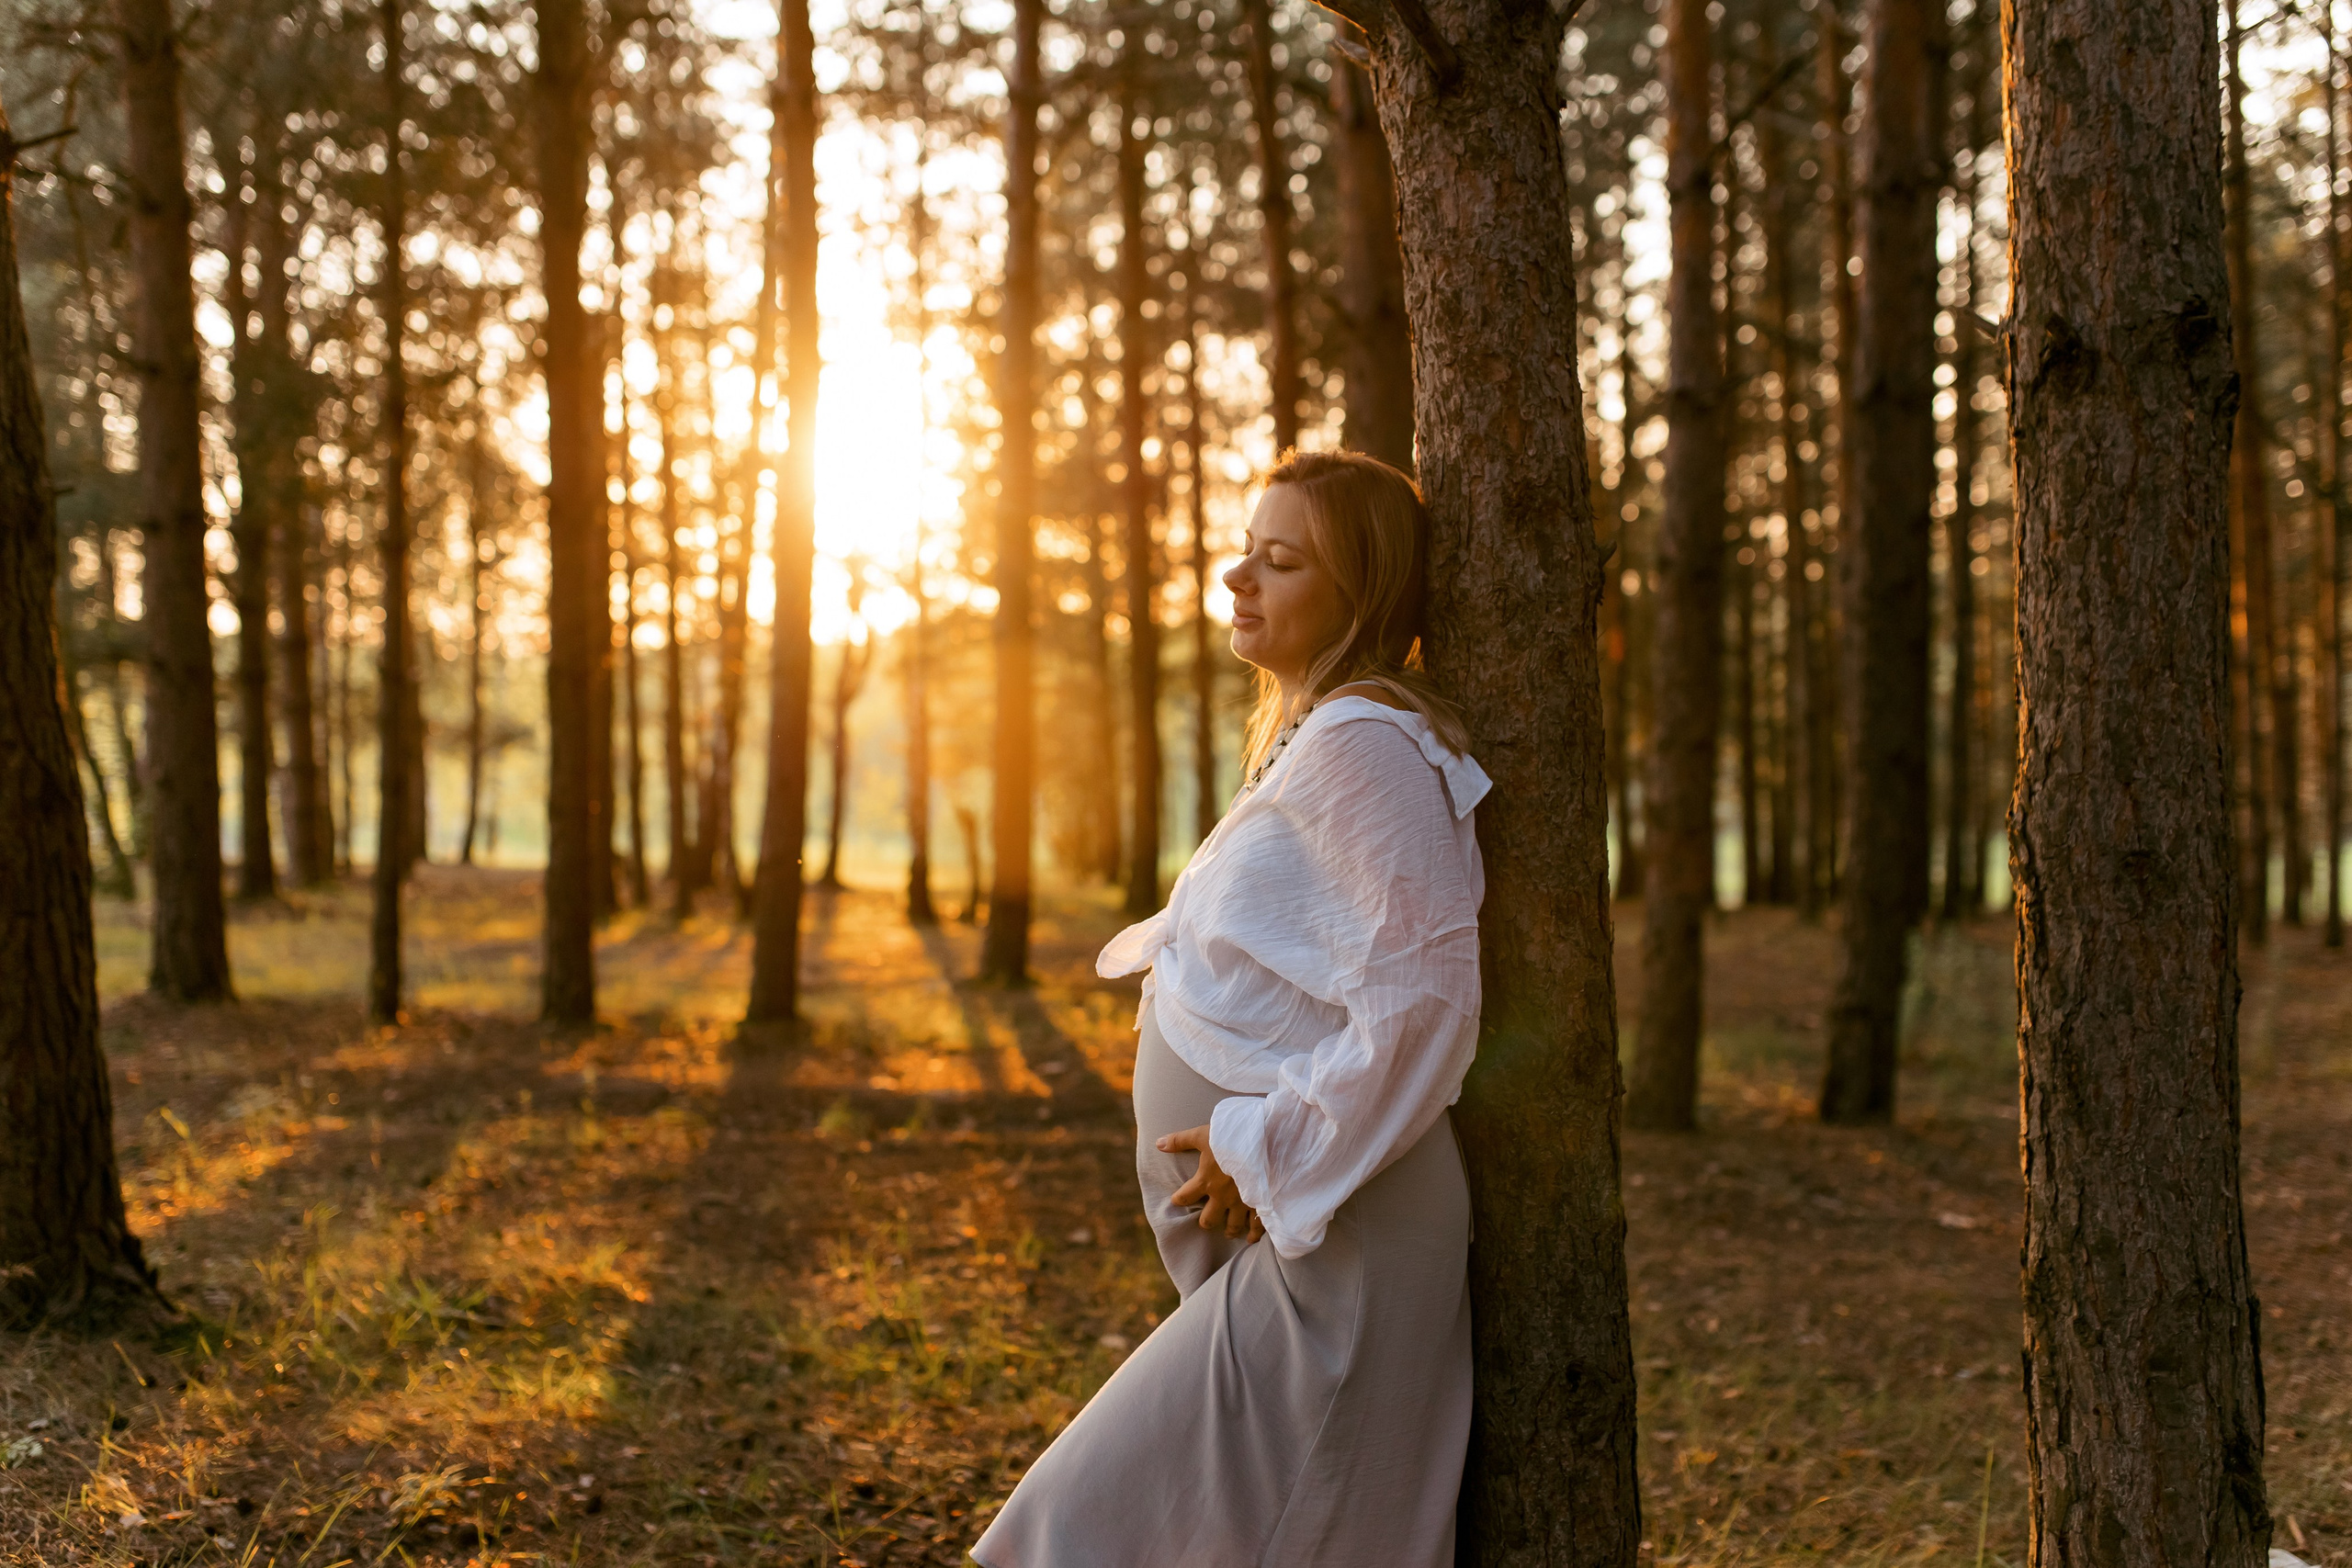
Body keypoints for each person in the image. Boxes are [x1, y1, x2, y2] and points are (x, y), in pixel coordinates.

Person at [972, 449, 1489, 1568]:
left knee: (1075, 1531)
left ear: (1360, 591)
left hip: (1342, 1237)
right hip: (1308, 1232)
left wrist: (1264, 1143)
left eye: (1281, 560)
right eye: (1246, 549)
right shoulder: (1318, 734)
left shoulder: (1364, 746)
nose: (1235, 577)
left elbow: (1424, 996)